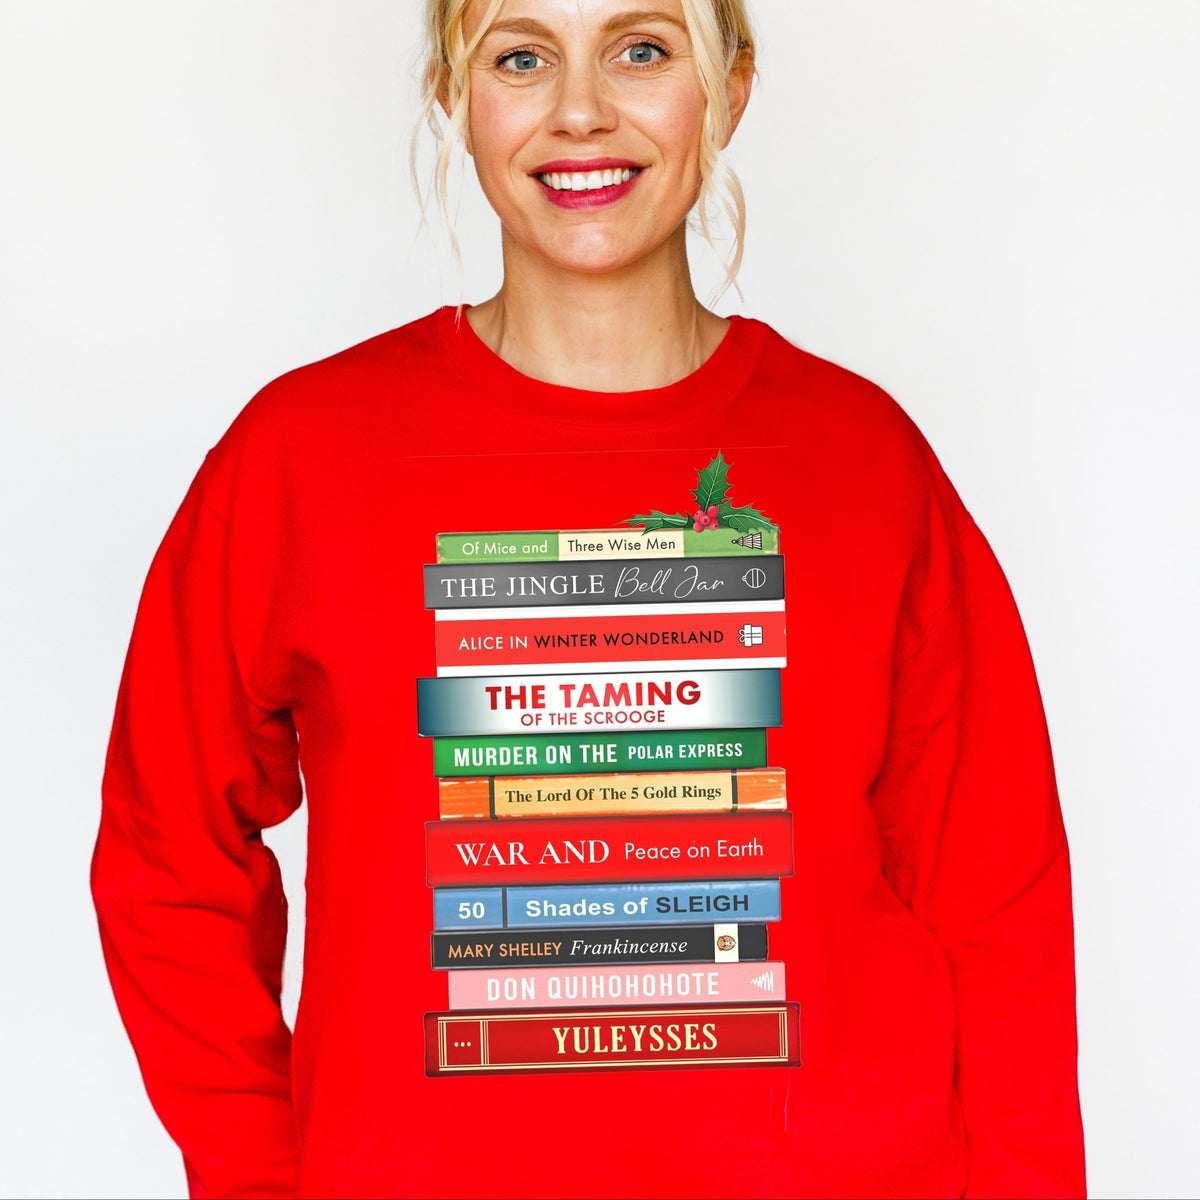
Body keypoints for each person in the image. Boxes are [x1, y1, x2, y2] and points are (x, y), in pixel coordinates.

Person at [91, 0, 1086, 1196]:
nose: (580, 111)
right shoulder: (302, 459)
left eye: (642, 49)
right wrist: (263, 1172)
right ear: (453, 97)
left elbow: (996, 895)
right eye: (522, 56)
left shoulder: (864, 460)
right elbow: (166, 855)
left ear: (733, 88)